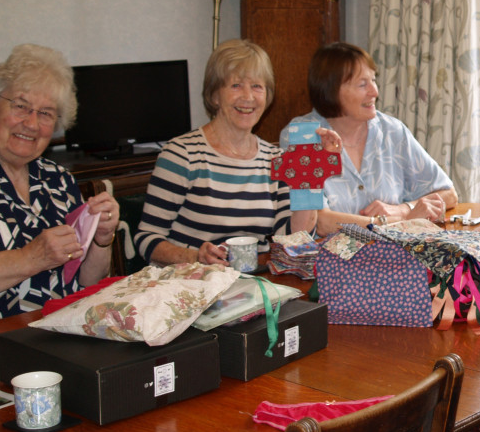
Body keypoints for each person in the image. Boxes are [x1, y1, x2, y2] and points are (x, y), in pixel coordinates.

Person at [134, 39, 336, 266]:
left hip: (250, 284)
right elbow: (146, 239)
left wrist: (312, 172)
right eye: (236, 85)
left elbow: (293, 239)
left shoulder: (275, 159)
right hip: (190, 286)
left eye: (257, 86)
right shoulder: (182, 154)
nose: (248, 97)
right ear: (214, 95)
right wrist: (196, 257)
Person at [0, 44, 119, 328]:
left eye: (46, 113)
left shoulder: (58, 180)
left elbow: (84, 283)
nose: (31, 123)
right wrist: (31, 258)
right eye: (21, 106)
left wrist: (101, 240)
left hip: (59, 332)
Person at [287, 42, 457, 237]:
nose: (374, 92)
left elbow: (448, 194)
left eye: (373, 81)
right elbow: (322, 223)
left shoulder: (392, 131)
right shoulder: (302, 136)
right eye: (362, 84)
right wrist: (401, 221)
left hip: (393, 258)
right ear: (332, 90)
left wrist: (403, 209)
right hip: (333, 262)